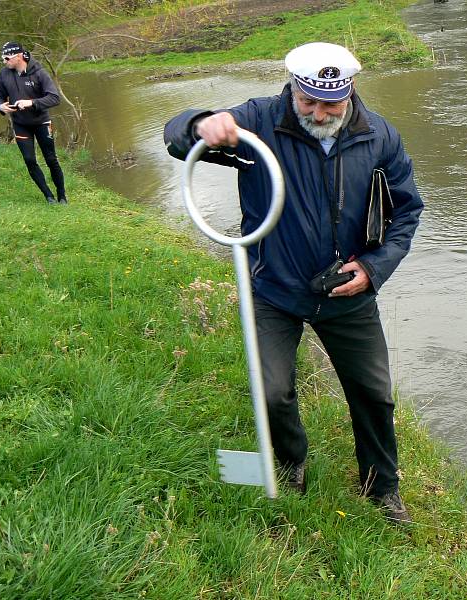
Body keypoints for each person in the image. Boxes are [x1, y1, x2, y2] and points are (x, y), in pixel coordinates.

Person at [164, 42, 424, 523]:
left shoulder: (380, 136)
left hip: (349, 291)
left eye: (332, 104)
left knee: (374, 393)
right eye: (310, 102)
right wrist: (201, 124)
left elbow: (408, 210)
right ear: (293, 89)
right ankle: (290, 465)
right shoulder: (258, 122)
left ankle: (381, 487)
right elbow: (178, 138)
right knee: (272, 390)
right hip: (274, 288)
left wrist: (374, 268)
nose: (320, 113)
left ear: (349, 94)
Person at [0, 41, 67, 205]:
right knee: (29, 160)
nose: (4, 62)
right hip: (20, 124)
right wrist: (0, 106)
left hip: (41, 122)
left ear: (18, 56)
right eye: (2, 59)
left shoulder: (39, 72)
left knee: (51, 159)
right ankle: (49, 196)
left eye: (6, 58)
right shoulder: (4, 74)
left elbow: (54, 98)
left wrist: (31, 103)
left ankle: (62, 196)